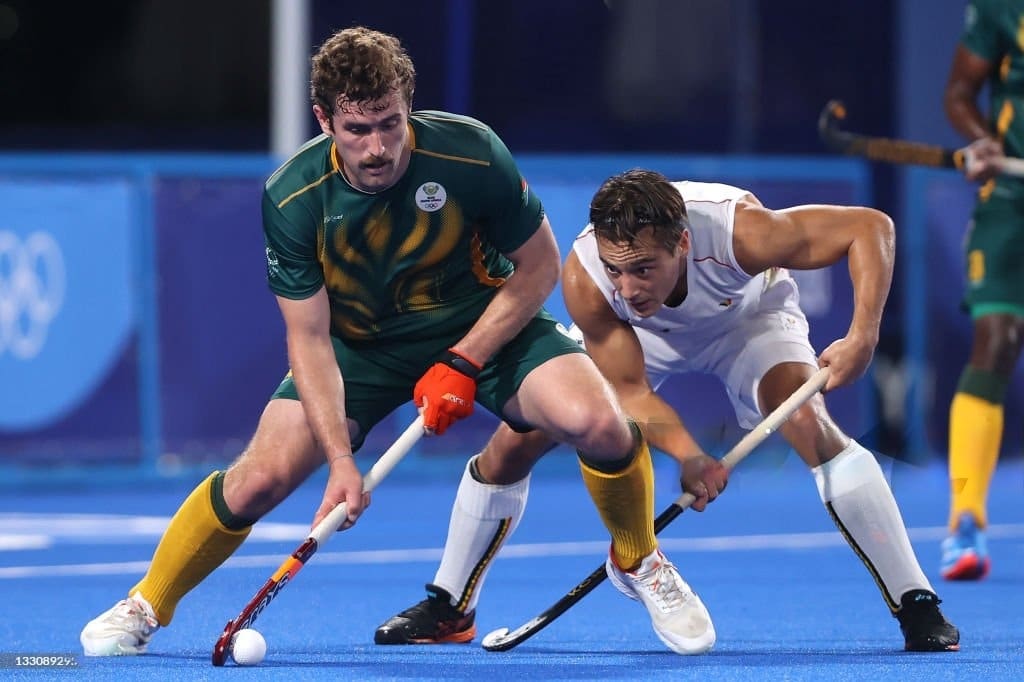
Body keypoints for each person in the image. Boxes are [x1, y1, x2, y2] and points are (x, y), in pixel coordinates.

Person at [79, 27, 728, 658]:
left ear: (408, 106)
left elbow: (537, 268)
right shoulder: (294, 197)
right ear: (325, 121)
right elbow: (308, 340)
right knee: (260, 478)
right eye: (358, 129)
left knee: (600, 423)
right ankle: (147, 604)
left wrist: (464, 359)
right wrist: (340, 463)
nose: (377, 147)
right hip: (361, 348)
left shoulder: (470, 154)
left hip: (485, 325)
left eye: (390, 123)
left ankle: (639, 557)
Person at [374, 169, 961, 653]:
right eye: (617, 268)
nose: (628, 285)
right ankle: (450, 604)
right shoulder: (590, 281)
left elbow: (869, 227)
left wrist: (862, 336)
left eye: (643, 268)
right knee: (515, 443)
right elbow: (629, 392)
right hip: (639, 341)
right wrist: (689, 455)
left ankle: (915, 602)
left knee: (812, 426)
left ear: (682, 242)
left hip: (748, 323)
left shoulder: (739, 233)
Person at [939, 0, 1023, 582]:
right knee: (995, 339)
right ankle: (964, 519)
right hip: (1012, 202)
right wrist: (981, 141)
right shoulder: (1002, 6)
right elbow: (959, 93)